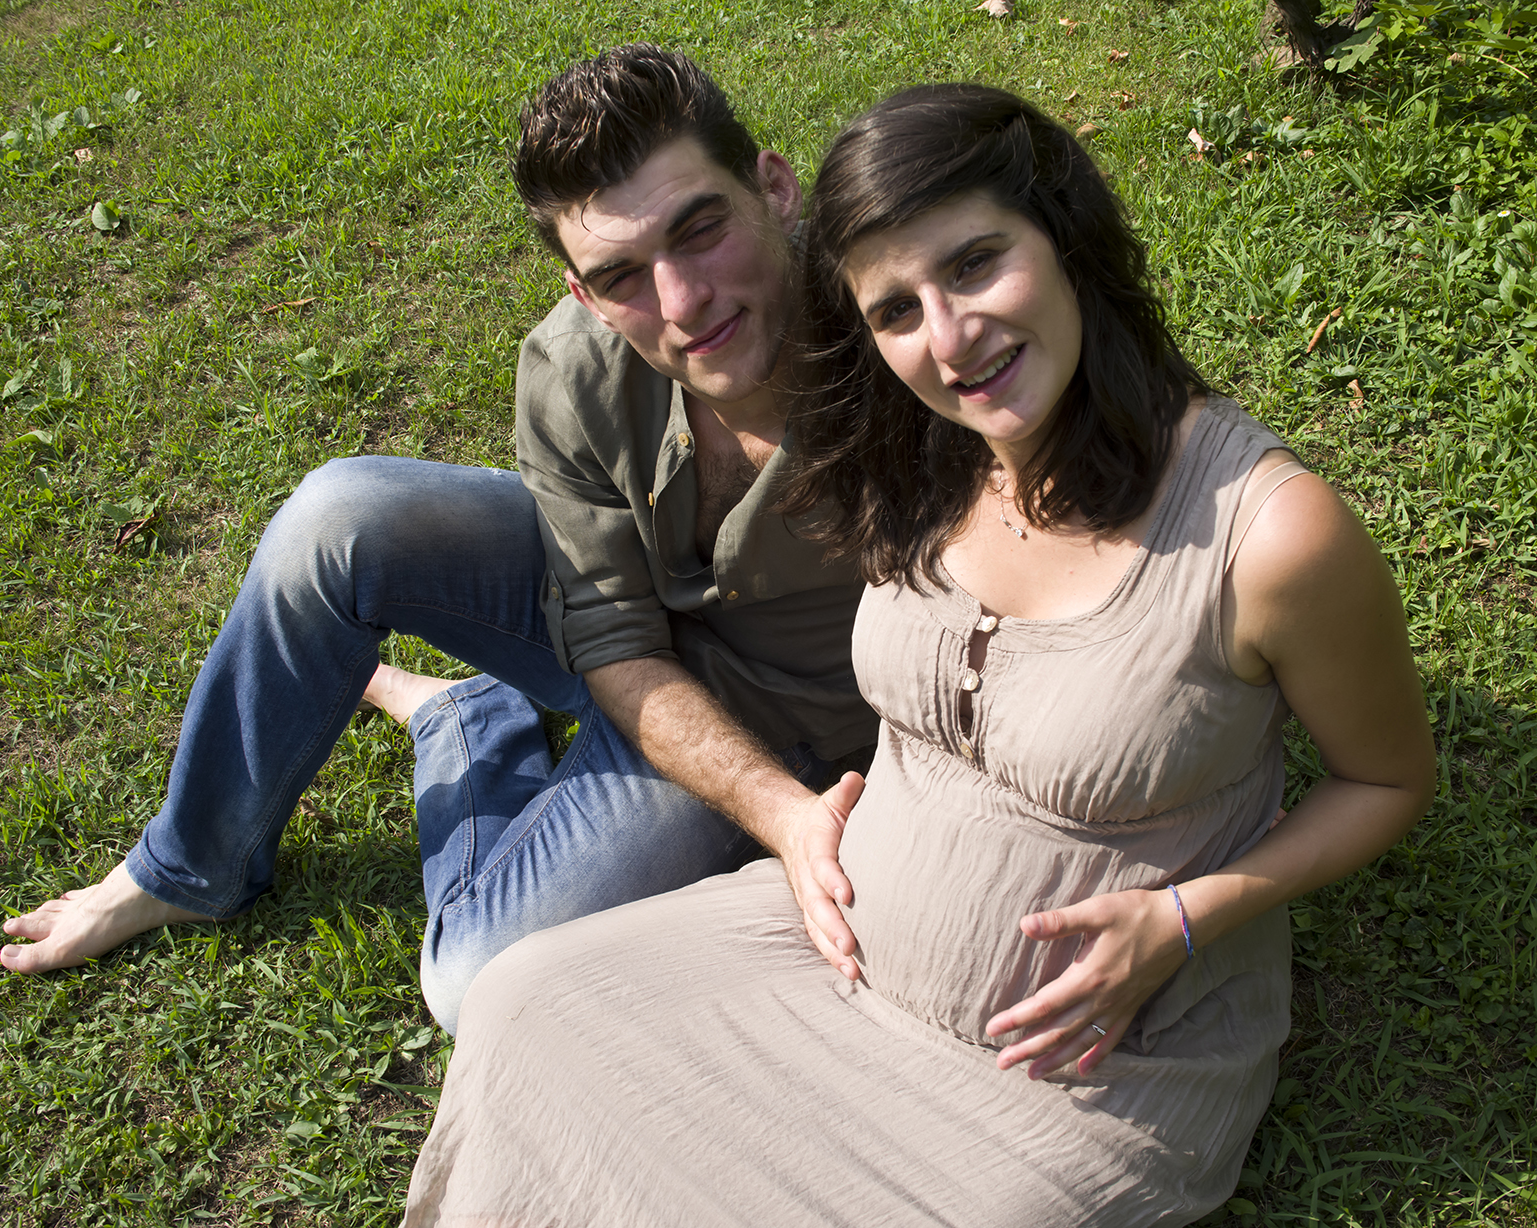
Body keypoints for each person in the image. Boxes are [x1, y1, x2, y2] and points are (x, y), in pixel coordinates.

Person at [400, 83, 1436, 1225]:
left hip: (1078, 1074)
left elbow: (1385, 779)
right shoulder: (928, 452)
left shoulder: (1269, 534)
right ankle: (464, 723)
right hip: (824, 948)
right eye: (895, 310)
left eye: (977, 264)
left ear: (1066, 237)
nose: (949, 340)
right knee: (522, 1004)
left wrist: (1183, 918)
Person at [0, 45, 878, 1036]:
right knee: (338, 519)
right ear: (582, 292)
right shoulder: (573, 365)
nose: (680, 303)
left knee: (475, 981)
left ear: (774, 185)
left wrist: (787, 814)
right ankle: (191, 865)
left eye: (700, 229)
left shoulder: (905, 345)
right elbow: (612, 633)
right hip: (620, 626)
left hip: (778, 709)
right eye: (621, 274)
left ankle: (467, 723)